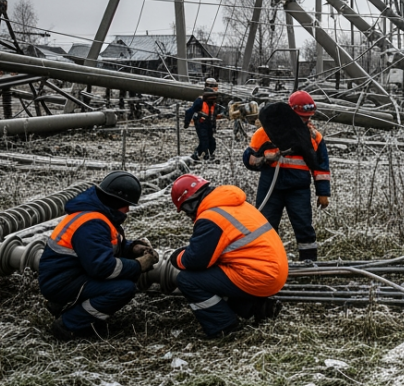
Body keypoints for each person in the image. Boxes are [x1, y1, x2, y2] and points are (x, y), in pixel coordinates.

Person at [38, 171, 158, 341]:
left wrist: (132, 248)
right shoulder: (91, 224)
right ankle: (69, 325)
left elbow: (108, 246)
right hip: (61, 282)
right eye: (127, 204)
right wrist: (138, 265)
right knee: (123, 288)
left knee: (123, 278)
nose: (128, 210)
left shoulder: (97, 215)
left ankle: (67, 306)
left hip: (69, 276)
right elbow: (102, 267)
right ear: (117, 201)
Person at [168, 174, 288, 337]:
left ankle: (222, 327)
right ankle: (256, 307)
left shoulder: (211, 218)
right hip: (274, 271)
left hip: (260, 276)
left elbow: (195, 261)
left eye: (185, 211)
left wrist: (176, 257)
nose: (189, 217)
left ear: (189, 204)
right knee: (216, 273)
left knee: (188, 280)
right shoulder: (234, 204)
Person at [243, 90, 331, 261]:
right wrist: (264, 159)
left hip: (298, 189)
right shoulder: (265, 133)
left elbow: (321, 166)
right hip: (271, 187)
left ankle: (308, 261)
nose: (307, 120)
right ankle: (266, 261)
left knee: (303, 225)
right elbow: (249, 158)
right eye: (302, 116)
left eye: (309, 116)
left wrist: (323, 193)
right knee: (265, 225)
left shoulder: (313, 137)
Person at [184, 88, 225, 161]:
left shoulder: (214, 105)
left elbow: (216, 115)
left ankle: (201, 154)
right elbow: (190, 111)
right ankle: (205, 155)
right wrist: (187, 122)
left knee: (212, 142)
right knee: (204, 141)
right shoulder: (200, 102)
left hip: (209, 124)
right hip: (200, 123)